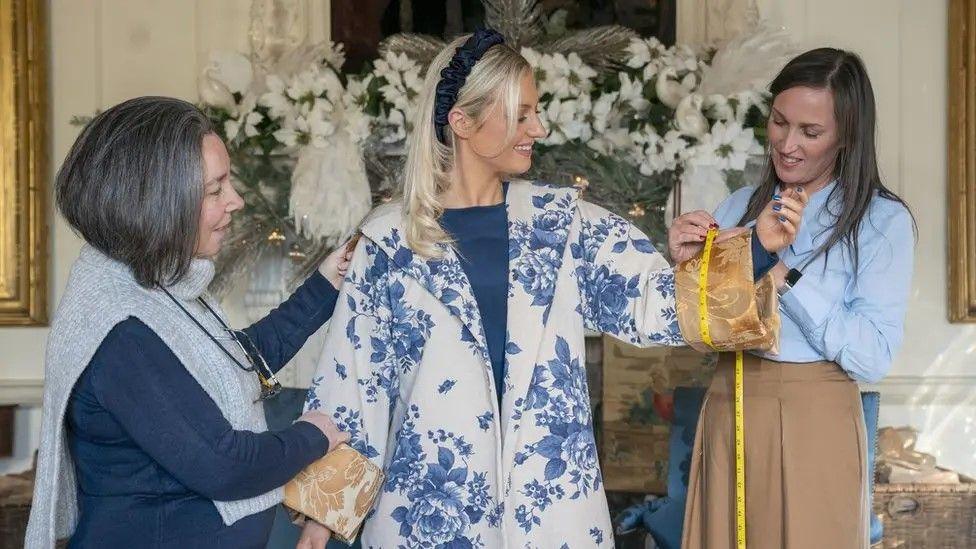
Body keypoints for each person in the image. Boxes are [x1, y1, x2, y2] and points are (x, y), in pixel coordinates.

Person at [297, 29, 803, 548]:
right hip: (429, 515)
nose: (538, 128)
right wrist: (321, 517)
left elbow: (658, 306)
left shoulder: (562, 225)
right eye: (521, 115)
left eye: (536, 111)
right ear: (463, 122)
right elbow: (354, 384)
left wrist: (759, 247)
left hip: (551, 510)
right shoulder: (387, 241)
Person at [25, 96, 353, 549]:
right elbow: (226, 465)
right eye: (215, 189)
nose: (235, 200)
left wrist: (325, 285)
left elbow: (232, 363)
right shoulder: (120, 330)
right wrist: (315, 436)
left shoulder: (154, 286)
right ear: (157, 202)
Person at [670, 48, 915, 549]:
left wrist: (780, 271)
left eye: (811, 131)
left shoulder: (881, 222)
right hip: (730, 401)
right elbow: (703, 329)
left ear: (846, 134)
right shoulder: (737, 207)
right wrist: (686, 265)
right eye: (779, 122)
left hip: (816, 415)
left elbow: (872, 357)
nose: (787, 144)